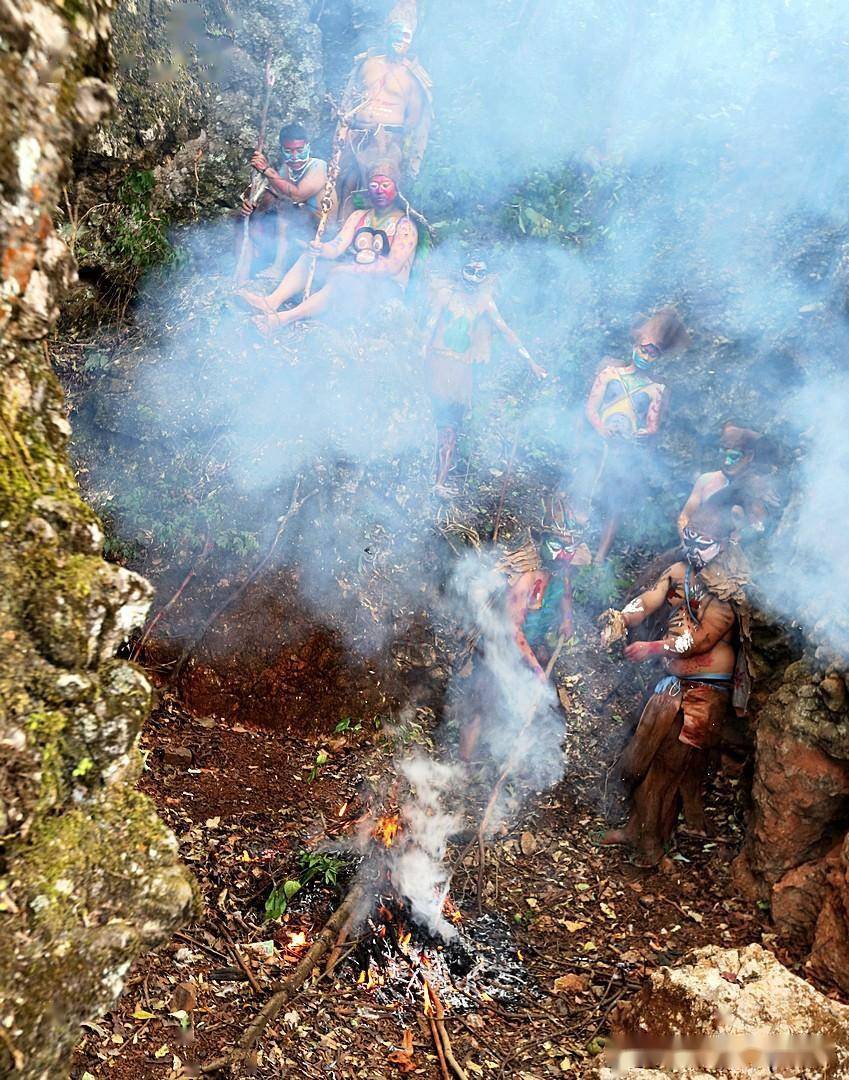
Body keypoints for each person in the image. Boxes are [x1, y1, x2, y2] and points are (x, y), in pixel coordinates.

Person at [597, 489, 750, 867]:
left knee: (668, 766)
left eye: (703, 542)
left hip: (703, 694)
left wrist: (652, 649)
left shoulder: (727, 589)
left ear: (725, 543)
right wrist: (622, 617)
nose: (694, 548)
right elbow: (649, 599)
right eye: (690, 538)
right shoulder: (680, 572)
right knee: (642, 758)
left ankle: (652, 846)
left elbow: (701, 639)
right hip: (672, 685)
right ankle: (637, 828)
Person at [237, 144, 418, 333]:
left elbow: (392, 267)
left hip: (384, 287)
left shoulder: (405, 225)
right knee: (312, 256)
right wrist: (320, 248)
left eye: (385, 185)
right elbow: (336, 247)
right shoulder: (359, 216)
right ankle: (271, 302)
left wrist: (349, 269)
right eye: (374, 185)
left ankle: (283, 318)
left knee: (344, 279)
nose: (379, 190)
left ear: (396, 190)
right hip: (353, 274)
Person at [459, 526, 590, 761]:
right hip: (499, 648)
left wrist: (567, 620)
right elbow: (513, 631)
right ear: (544, 546)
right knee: (482, 702)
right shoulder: (527, 581)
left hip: (532, 647)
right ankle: (463, 765)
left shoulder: (562, 575)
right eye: (557, 547)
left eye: (569, 549)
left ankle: (525, 758)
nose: (563, 555)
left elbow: (566, 597)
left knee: (542, 703)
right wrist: (537, 670)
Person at [422, 256, 547, 497]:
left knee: (450, 428)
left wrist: (531, 361)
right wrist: (420, 356)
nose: (475, 278)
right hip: (437, 362)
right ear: (461, 270)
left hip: (459, 373)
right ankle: (426, 475)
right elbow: (429, 327)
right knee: (430, 419)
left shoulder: (484, 303)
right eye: (471, 271)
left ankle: (439, 482)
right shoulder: (445, 295)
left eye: (481, 274)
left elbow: (506, 332)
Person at [584, 307, 691, 563]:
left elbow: (652, 425)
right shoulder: (610, 373)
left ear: (659, 356)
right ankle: (572, 541)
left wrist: (644, 434)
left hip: (625, 450)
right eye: (644, 348)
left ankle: (599, 556)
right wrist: (600, 429)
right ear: (635, 345)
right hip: (597, 444)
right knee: (584, 485)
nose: (647, 355)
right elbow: (591, 407)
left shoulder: (657, 389)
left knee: (615, 502)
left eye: (653, 352)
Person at [337, 0, 432, 217]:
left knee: (377, 186)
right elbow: (347, 102)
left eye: (405, 35)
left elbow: (414, 122)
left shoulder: (413, 77)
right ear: (387, 33)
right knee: (347, 183)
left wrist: (391, 141)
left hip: (388, 142)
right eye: (396, 33)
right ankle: (340, 231)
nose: (399, 39)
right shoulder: (367, 63)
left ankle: (369, 238)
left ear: (412, 40)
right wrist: (344, 131)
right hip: (356, 134)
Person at [238, 123, 335, 281]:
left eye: (300, 150)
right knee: (246, 221)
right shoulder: (286, 170)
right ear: (282, 150)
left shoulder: (318, 166)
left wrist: (266, 170)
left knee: (287, 212)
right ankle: (241, 277)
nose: (295, 157)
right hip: (295, 229)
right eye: (289, 151)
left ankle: (278, 268)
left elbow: (297, 195)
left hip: (322, 231)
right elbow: (271, 196)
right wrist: (251, 207)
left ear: (308, 146)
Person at [678, 421, 773, 538]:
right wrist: (688, 542)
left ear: (749, 456)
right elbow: (685, 516)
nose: (726, 462)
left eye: (734, 455)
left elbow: (760, 530)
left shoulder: (758, 487)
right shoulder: (705, 480)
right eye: (723, 450)